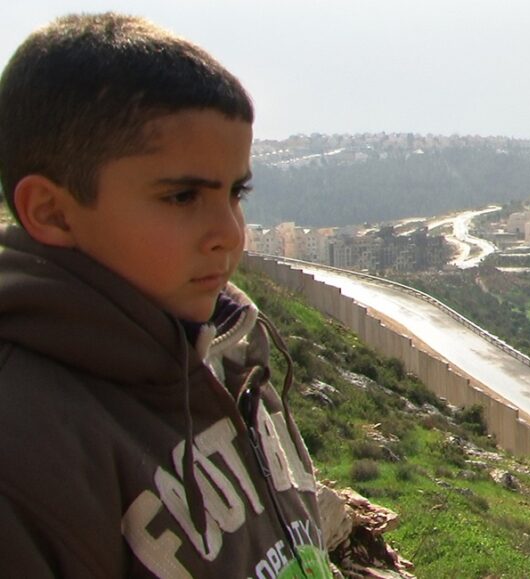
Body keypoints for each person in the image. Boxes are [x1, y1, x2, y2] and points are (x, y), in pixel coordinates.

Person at [0, 13, 332, 578]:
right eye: (182, 197)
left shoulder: (228, 350)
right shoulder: (28, 448)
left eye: (236, 192)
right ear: (52, 212)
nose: (230, 233)